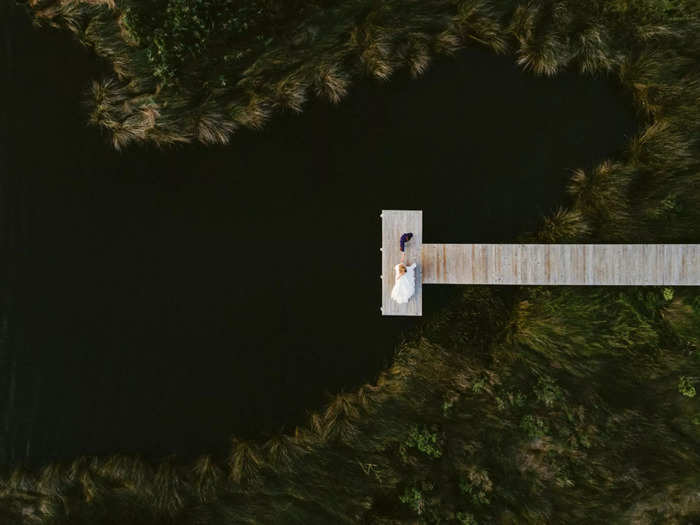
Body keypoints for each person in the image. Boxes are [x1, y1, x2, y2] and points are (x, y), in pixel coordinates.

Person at [391, 232, 416, 304]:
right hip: (401, 277)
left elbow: (402, 261)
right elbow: (400, 275)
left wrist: (403, 255)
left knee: (401, 287)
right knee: (404, 287)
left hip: (400, 277)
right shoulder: (402, 269)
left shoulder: (400, 266)